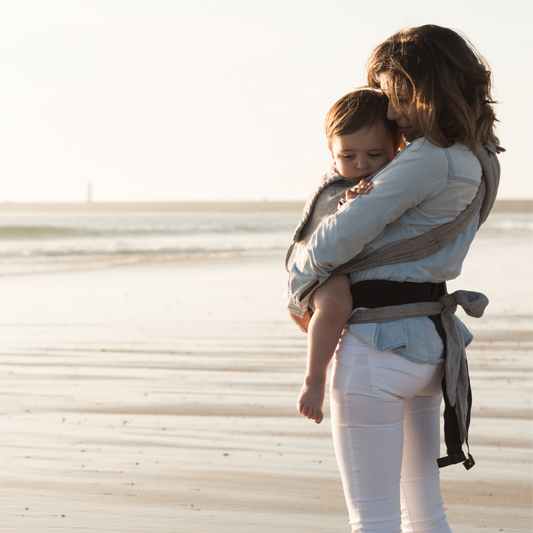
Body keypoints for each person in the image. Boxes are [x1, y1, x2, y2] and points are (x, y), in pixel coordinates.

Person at [284, 25, 503, 532]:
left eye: (396, 92)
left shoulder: (428, 159)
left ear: (426, 85)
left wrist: (297, 281)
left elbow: (333, 243)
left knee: (374, 520)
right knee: (426, 513)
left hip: (377, 349)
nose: (389, 108)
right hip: (430, 349)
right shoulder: (483, 157)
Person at [290, 90, 403, 425]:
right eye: (348, 155)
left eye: (374, 153)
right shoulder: (339, 185)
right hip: (320, 270)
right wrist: (349, 203)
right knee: (336, 303)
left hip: (344, 265)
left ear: (396, 147)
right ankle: (314, 379)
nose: (362, 164)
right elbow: (328, 230)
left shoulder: (396, 173)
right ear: (332, 152)